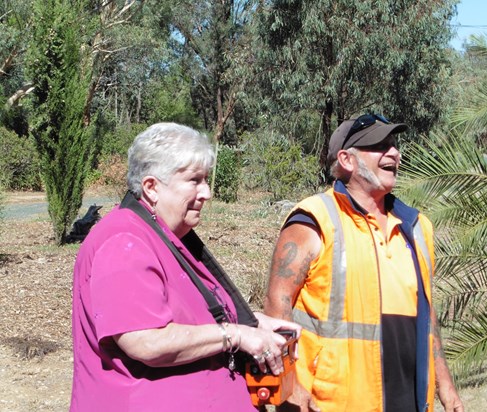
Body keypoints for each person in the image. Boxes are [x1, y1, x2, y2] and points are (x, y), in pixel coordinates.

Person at [71, 123, 301, 411]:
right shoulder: (124, 241)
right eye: (194, 180)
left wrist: (249, 321)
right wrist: (236, 335)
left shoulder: (163, 232)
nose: (206, 193)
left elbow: (186, 312)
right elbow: (145, 340)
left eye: (205, 179)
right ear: (152, 187)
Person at [264, 114, 464, 412]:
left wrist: (445, 387)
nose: (394, 153)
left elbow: (427, 314)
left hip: (409, 400)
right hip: (332, 403)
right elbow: (276, 304)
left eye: (395, 145)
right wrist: (288, 383)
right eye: (380, 146)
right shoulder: (314, 219)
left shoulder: (417, 227)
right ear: (347, 159)